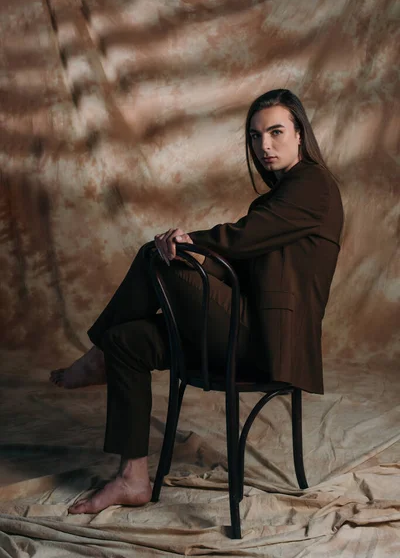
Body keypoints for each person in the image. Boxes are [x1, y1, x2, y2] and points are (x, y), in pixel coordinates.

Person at [50, 89, 344, 514]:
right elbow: (239, 265)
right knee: (128, 342)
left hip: (266, 343)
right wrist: (196, 255)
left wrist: (188, 242)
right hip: (241, 326)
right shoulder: (279, 197)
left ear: (300, 134)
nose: (264, 145)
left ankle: (94, 356)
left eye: (276, 132)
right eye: (255, 136)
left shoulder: (313, 184)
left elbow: (242, 238)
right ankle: (132, 478)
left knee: (157, 254)